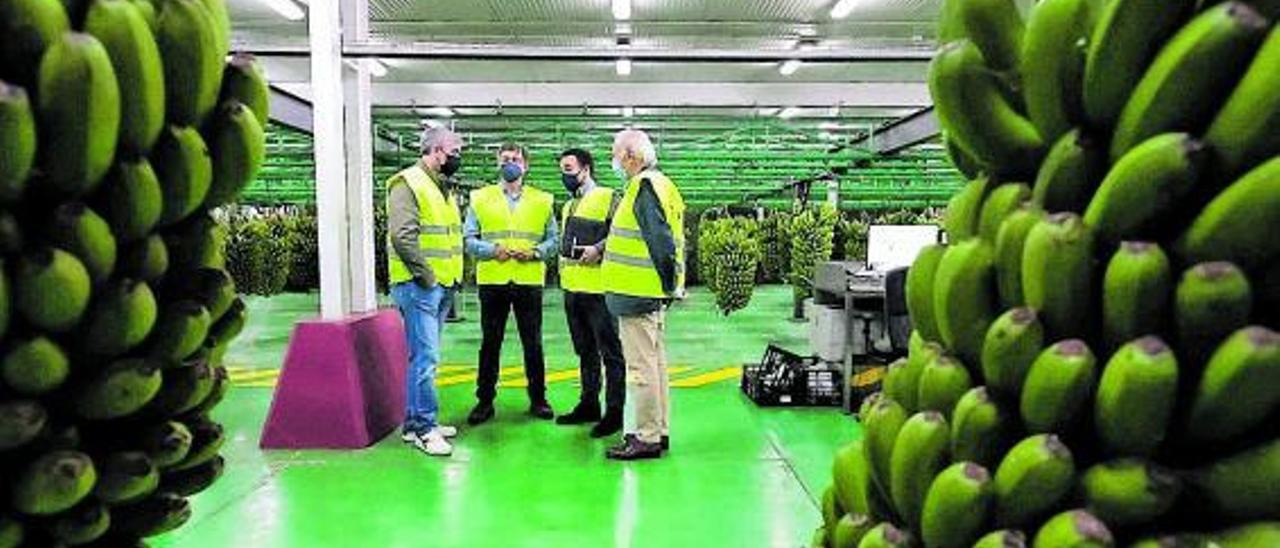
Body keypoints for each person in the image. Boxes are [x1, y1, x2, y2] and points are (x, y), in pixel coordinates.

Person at [601, 130, 686, 461]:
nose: (616, 162)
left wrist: (667, 286)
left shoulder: (644, 187)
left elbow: (660, 240)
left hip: (637, 292)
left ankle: (646, 437)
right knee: (654, 363)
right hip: (646, 291)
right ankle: (658, 429)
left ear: (631, 156)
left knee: (640, 368)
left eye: (617, 155)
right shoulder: (662, 184)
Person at [464, 143, 559, 425]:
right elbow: (469, 239)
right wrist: (492, 250)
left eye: (515, 159)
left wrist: (536, 252)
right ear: (498, 163)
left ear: (525, 166)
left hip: (529, 280)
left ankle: (539, 398)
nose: (510, 163)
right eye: (505, 159)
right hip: (493, 280)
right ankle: (484, 401)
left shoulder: (543, 200)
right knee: (490, 343)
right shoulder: (479, 198)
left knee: (533, 342)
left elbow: (554, 239)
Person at [386, 127, 466, 456]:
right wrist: (427, 276)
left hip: (441, 285)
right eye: (454, 151)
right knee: (426, 358)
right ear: (434, 151)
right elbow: (402, 236)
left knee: (422, 356)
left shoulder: (441, 186)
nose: (457, 157)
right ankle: (424, 428)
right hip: (419, 285)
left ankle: (414, 422)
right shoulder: (408, 183)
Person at [554, 148, 626, 438]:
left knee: (611, 353)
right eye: (562, 169)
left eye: (569, 168)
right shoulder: (568, 206)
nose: (565, 175)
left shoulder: (610, 198)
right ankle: (588, 404)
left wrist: (599, 249)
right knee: (584, 350)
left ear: (586, 169)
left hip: (599, 290)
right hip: (572, 288)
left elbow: (622, 234)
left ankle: (615, 412)